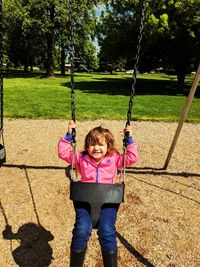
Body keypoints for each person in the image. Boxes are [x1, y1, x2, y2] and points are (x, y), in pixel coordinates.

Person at [58, 121, 139, 267]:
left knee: (107, 230)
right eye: (92, 144)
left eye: (101, 144)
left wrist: (130, 139)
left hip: (108, 201)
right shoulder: (81, 158)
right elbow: (63, 153)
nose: (96, 148)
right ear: (86, 146)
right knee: (81, 229)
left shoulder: (114, 158)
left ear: (108, 146)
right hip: (84, 201)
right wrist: (69, 135)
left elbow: (131, 158)